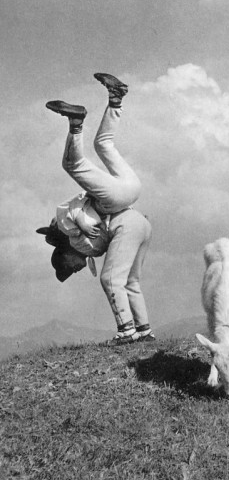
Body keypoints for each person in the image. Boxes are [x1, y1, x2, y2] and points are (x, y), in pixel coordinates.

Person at [37, 73, 155, 345]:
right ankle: (116, 99)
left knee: (72, 165)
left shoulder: (72, 233)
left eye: (69, 268)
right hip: (131, 203)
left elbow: (67, 209)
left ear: (65, 254)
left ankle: (76, 123)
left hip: (121, 207)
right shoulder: (88, 249)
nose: (76, 269)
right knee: (103, 144)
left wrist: (75, 221)